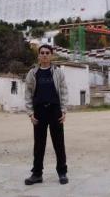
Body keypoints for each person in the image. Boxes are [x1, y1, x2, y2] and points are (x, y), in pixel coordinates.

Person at [24, 44, 69, 185]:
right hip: (39, 112)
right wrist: (30, 113)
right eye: (42, 53)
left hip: (55, 110)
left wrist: (64, 110)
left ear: (51, 55)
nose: (44, 55)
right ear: (38, 56)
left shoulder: (58, 72)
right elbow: (28, 93)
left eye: (47, 53)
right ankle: (37, 174)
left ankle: (62, 173)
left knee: (59, 143)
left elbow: (64, 91)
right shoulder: (32, 73)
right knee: (39, 144)